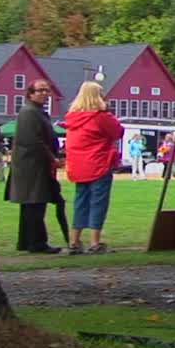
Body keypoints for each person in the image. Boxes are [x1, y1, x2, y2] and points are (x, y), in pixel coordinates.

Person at [63, 82, 124, 255]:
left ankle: (74, 241)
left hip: (78, 166)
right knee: (98, 202)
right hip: (99, 163)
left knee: (80, 202)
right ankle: (95, 242)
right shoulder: (100, 117)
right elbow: (118, 132)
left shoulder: (72, 118)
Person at [7, 81, 62, 253]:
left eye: (47, 90)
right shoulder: (29, 112)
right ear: (30, 93)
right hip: (31, 165)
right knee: (35, 203)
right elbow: (33, 140)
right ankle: (37, 242)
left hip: (34, 164)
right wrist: (52, 158)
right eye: (40, 90)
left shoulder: (36, 112)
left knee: (31, 205)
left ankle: (25, 241)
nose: (45, 93)